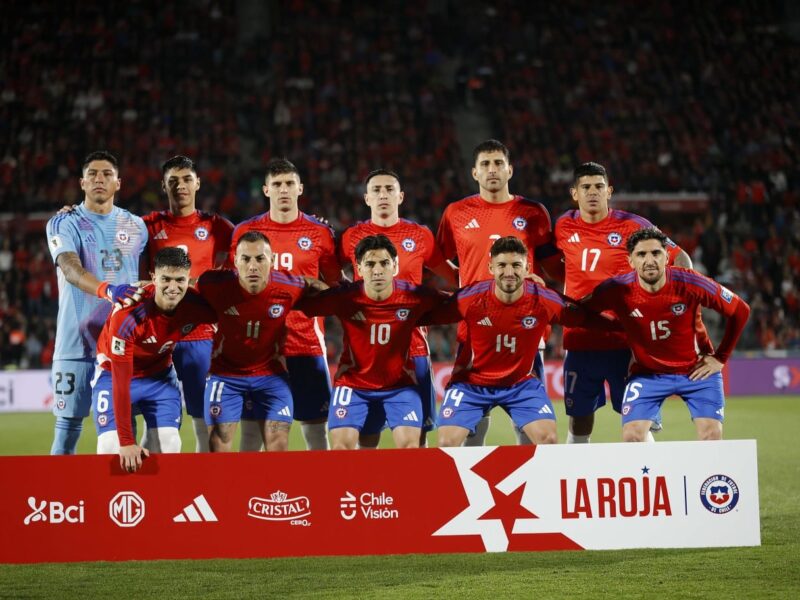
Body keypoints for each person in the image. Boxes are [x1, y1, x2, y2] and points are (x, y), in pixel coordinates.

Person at [554, 161, 708, 443]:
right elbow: (553, 266)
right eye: (585, 187)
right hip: (579, 340)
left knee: (638, 423)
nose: (593, 192)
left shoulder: (632, 225)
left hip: (625, 342)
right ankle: (576, 481)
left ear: (609, 191)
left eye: (599, 187)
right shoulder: (563, 224)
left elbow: (680, 256)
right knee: (579, 421)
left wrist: (676, 298)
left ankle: (650, 482)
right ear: (574, 193)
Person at [421, 237, 618, 447]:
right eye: (502, 265)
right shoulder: (472, 297)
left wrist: (626, 326)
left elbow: (584, 318)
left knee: (549, 439)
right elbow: (429, 315)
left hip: (520, 384)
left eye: (516, 265)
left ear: (527, 268)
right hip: (471, 384)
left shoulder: (543, 299)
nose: (509, 272)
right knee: (447, 442)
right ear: (491, 267)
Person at [435, 139, 562, 446]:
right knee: (471, 425)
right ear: (475, 173)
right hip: (475, 329)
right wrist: (461, 283)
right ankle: (466, 490)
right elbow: (438, 259)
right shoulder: (456, 212)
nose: (492, 170)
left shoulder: (533, 212)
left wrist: (543, 284)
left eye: (498, 164)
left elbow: (552, 268)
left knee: (530, 426)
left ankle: (529, 489)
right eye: (485, 165)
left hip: (525, 327)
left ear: (510, 170)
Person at [581, 228, 750, 442]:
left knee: (711, 436)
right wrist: (617, 326)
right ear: (630, 260)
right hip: (648, 374)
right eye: (641, 255)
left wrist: (721, 357)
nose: (649, 260)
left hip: (697, 370)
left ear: (666, 257)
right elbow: (581, 311)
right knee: (632, 437)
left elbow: (740, 310)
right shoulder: (617, 289)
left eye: (656, 253)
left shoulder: (690, 282)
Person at [339, 169, 457, 448]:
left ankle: (416, 490)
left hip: (412, 349)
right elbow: (332, 277)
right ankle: (370, 491)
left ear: (400, 196)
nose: (383, 195)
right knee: (367, 435)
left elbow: (453, 277)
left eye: (389, 189)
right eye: (377, 190)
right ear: (366, 197)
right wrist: (350, 301)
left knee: (418, 436)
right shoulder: (351, 237)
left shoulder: (419, 235)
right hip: (365, 354)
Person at [230, 158, 341, 451]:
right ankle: (250, 495)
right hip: (258, 350)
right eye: (277, 184)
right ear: (266, 190)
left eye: (289, 184)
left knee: (317, 433)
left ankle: (321, 494)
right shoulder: (245, 232)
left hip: (305, 346)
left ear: (300, 188)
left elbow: (334, 287)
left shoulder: (320, 233)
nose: (283, 190)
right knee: (253, 435)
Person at [297, 235, 446, 450]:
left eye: (384, 263)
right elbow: (301, 302)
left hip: (399, 386)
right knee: (342, 448)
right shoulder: (344, 297)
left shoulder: (415, 296)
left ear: (395, 266)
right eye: (370, 264)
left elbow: (457, 305)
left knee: (412, 449)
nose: (377, 270)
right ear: (359, 267)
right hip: (353, 385)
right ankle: (355, 485)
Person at [45, 151, 147, 455]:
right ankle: (57, 500)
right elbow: (71, 269)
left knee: (127, 429)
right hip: (76, 343)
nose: (99, 179)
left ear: (118, 183)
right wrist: (108, 290)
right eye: (92, 174)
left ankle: (131, 498)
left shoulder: (137, 226)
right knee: (67, 431)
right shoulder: (64, 223)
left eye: (106, 174)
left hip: (121, 342)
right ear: (82, 182)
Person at [199, 231, 327, 452]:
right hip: (226, 376)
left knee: (278, 444)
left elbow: (315, 286)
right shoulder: (214, 284)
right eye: (246, 259)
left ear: (272, 261)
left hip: (271, 377)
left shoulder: (288, 286)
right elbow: (182, 288)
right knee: (219, 442)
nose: (253, 266)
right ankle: (223, 487)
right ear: (235, 261)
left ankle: (275, 488)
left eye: (260, 259)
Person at [93, 247, 216, 473]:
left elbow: (231, 317)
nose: (172, 287)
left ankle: (153, 503)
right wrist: (127, 441)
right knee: (110, 447)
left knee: (169, 444)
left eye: (180, 280)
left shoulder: (195, 305)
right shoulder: (128, 314)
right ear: (153, 277)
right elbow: (121, 383)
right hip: (113, 375)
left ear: (189, 279)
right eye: (165, 279)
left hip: (158, 377)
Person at [141, 155, 234, 452]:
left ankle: (200, 485)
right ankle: (150, 488)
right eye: (173, 181)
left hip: (199, 335)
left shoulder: (217, 226)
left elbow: (252, 245)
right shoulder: (147, 226)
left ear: (197, 183)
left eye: (185, 180)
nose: (180, 186)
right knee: (154, 420)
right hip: (156, 333)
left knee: (202, 418)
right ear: (163, 186)